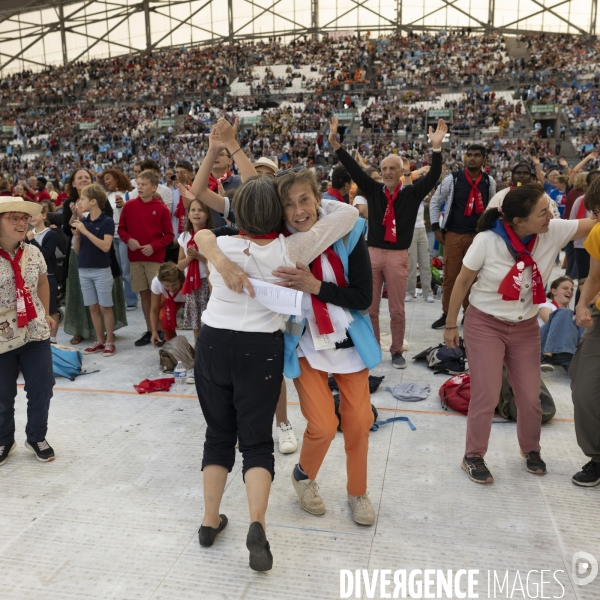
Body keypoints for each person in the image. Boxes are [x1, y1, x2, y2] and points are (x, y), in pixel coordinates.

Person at [191, 119, 358, 571]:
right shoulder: (291, 250)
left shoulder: (221, 241)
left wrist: (218, 254)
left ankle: (209, 521)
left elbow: (202, 229)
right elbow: (349, 214)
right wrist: (303, 204)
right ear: (279, 214)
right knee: (257, 443)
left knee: (217, 436)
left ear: (236, 213)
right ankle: (257, 524)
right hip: (258, 350)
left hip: (212, 343)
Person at [443, 183, 596, 484]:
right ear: (518, 221)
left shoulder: (552, 230)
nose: (551, 214)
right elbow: (461, 283)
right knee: (486, 396)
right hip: (485, 324)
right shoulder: (486, 241)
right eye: (543, 211)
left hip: (525, 326)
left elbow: (593, 222)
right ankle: (473, 455)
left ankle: (531, 450)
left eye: (550, 208)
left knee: (530, 397)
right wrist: (450, 325)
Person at [270, 168, 380, 526]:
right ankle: (303, 476)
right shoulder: (279, 246)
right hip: (303, 342)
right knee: (321, 422)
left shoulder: (348, 232)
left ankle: (357, 491)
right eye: (288, 205)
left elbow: (363, 298)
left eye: (304, 200)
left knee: (360, 421)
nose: (298, 210)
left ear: (318, 200)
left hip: (347, 338)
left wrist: (316, 287)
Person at [330, 116, 447, 369]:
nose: (387, 172)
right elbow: (353, 169)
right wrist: (337, 146)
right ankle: (372, 348)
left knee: (396, 310)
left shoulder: (412, 193)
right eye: (383, 169)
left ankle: (396, 350)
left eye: (392, 168)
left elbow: (434, 174)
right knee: (369, 308)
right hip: (371, 254)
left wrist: (436, 148)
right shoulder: (372, 190)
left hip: (397, 256)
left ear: (402, 171)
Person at [0, 197, 56, 466]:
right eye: (14, 218)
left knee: (42, 387)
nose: (22, 223)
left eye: (24, 218)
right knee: (2, 393)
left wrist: (45, 314)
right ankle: (3, 439)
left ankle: (36, 436)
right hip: (1, 337)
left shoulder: (33, 252)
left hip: (34, 331)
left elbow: (43, 282)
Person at [429, 144, 497, 330]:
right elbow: (435, 201)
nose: (472, 158)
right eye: (470, 155)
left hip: (478, 237)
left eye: (477, 155)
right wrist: (436, 227)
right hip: (454, 234)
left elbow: (491, 208)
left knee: (474, 279)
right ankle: (447, 313)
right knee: (450, 277)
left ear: (484, 160)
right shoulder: (454, 179)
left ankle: (469, 315)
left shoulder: (489, 182)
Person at [62, 169, 128, 345]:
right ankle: (89, 335)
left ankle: (108, 338)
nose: (83, 180)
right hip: (83, 262)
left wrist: (82, 224)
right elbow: (70, 233)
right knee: (88, 302)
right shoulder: (71, 205)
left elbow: (103, 237)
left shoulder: (101, 209)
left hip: (101, 263)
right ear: (73, 183)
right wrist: (77, 229)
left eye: (86, 177)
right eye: (79, 177)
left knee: (105, 305)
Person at [117, 170, 174, 347]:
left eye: (143, 184)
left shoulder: (161, 209)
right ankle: (150, 330)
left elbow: (169, 235)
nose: (139, 187)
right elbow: (121, 229)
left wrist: (153, 246)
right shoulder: (129, 206)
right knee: (144, 294)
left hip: (155, 259)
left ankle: (162, 331)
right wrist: (128, 240)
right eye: (138, 184)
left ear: (154, 187)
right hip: (135, 258)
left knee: (158, 295)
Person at [571, 177, 600, 486]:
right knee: (584, 390)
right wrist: (582, 304)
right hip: (599, 319)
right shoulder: (598, 232)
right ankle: (597, 458)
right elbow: (593, 277)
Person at [72, 184, 117, 357]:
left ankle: (109, 341)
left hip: (101, 270)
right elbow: (78, 251)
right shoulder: (82, 222)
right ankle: (99, 340)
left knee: (106, 307)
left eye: (82, 199)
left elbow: (106, 247)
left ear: (93, 201)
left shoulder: (107, 222)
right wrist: (77, 237)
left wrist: (86, 232)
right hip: (84, 269)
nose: (80, 202)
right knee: (93, 308)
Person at [177, 199, 213, 345]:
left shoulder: (211, 235)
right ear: (189, 215)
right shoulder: (184, 236)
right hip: (192, 285)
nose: (196, 213)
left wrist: (199, 257)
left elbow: (213, 262)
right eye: (193, 210)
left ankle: (208, 349)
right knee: (195, 323)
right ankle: (198, 350)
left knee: (208, 322)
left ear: (208, 215)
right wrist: (190, 258)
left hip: (206, 284)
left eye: (200, 210)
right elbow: (180, 265)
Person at [101, 169, 138, 310]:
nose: (106, 181)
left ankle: (131, 300)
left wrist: (126, 205)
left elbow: (136, 213)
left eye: (109, 178)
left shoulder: (129, 194)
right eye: (105, 179)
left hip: (124, 235)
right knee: (116, 270)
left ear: (117, 178)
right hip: (110, 236)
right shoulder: (106, 195)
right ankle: (119, 299)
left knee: (126, 269)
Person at [25, 204, 59, 343]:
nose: (32, 218)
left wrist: (32, 240)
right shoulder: (27, 234)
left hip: (48, 276)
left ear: (44, 216)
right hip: (31, 278)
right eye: (30, 216)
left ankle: (53, 339)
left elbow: (45, 254)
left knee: (50, 309)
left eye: (36, 214)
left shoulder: (51, 234)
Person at [538, 276, 581, 372]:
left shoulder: (571, 315)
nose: (570, 291)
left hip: (564, 350)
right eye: (565, 288)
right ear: (554, 291)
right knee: (564, 312)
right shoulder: (545, 304)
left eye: (571, 289)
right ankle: (546, 357)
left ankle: (577, 357)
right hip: (543, 345)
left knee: (582, 320)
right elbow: (551, 322)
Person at [149, 263, 186, 348]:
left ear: (180, 280)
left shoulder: (187, 278)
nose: (171, 289)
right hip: (170, 299)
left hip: (188, 296)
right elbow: (154, 310)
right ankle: (173, 344)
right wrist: (154, 331)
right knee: (163, 316)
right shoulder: (156, 282)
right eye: (167, 286)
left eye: (174, 285)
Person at [406, 197, 434, 303]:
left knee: (425, 263)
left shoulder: (421, 196)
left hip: (422, 229)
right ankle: (409, 292)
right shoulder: (406, 195)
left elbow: (432, 199)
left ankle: (428, 293)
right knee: (411, 264)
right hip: (410, 230)